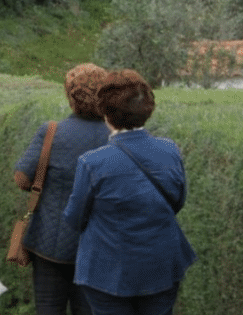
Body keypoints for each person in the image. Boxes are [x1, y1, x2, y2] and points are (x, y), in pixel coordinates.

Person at [63, 69, 196, 315]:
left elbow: (74, 218)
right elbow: (177, 201)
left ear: (106, 114)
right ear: (148, 109)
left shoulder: (92, 163)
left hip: (107, 271)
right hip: (162, 265)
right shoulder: (169, 150)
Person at [13, 64, 110, 315]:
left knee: (48, 309)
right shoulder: (115, 137)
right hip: (98, 246)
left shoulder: (52, 132)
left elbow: (22, 178)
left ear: (70, 96)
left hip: (49, 243)